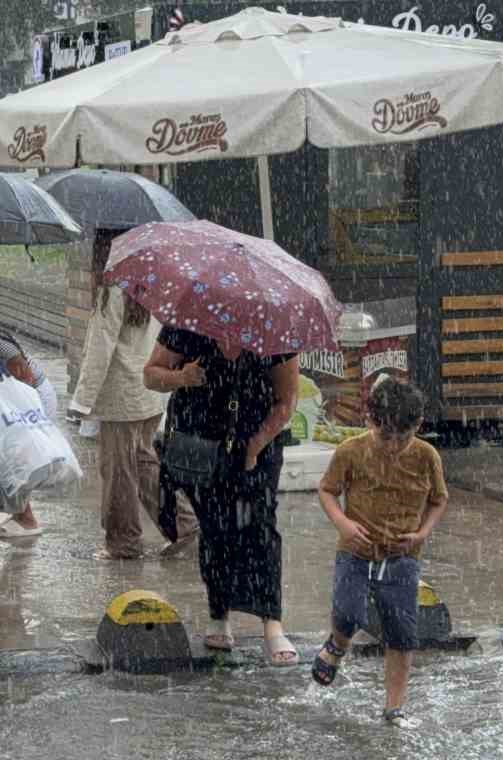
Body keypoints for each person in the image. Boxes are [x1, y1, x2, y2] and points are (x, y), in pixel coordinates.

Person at [144, 324, 301, 665]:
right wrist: (182, 377)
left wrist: (255, 446)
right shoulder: (188, 326)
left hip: (255, 447)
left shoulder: (273, 333)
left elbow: (286, 402)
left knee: (260, 527)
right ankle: (219, 614)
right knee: (215, 529)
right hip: (201, 449)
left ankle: (272, 623)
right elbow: (151, 375)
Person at [311, 378, 449, 724]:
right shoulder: (351, 451)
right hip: (355, 549)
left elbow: (439, 500)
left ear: (417, 426)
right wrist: (343, 523)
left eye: (403, 437)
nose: (394, 446)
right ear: (369, 421)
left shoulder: (425, 456)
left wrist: (421, 534)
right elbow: (327, 491)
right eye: (385, 436)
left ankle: (394, 706)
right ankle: (336, 646)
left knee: (402, 631)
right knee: (349, 613)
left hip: (403, 555)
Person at [70, 232, 195, 560]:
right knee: (143, 465)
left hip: (120, 397)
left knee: (118, 474)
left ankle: (123, 542)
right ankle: (184, 524)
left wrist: (81, 400)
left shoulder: (112, 289)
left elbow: (101, 347)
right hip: (147, 393)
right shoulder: (150, 284)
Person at [0, 289, 54, 539]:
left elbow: (26, 380)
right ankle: (21, 514)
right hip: (6, 401)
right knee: (2, 458)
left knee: (12, 458)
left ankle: (27, 519)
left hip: (30, 398)